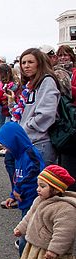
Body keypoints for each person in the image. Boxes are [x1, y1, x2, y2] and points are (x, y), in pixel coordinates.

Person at [0, 122, 45, 259]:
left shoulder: (30, 154)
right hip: (25, 202)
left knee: (27, 237)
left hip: (34, 203)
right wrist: (13, 196)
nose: (6, 149)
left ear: (15, 140)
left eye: (7, 145)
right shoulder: (18, 156)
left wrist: (18, 190)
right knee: (26, 235)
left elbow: (35, 174)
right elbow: (18, 179)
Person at [18, 48, 60, 166]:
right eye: (23, 63)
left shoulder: (47, 81)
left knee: (38, 183)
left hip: (40, 142)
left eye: (30, 62)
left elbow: (46, 114)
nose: (26, 66)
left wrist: (25, 128)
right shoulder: (30, 85)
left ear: (39, 63)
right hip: (29, 141)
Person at [56, 45, 76, 190]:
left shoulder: (74, 72)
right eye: (60, 55)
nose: (63, 57)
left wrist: (66, 87)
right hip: (62, 117)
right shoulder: (56, 72)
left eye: (66, 55)